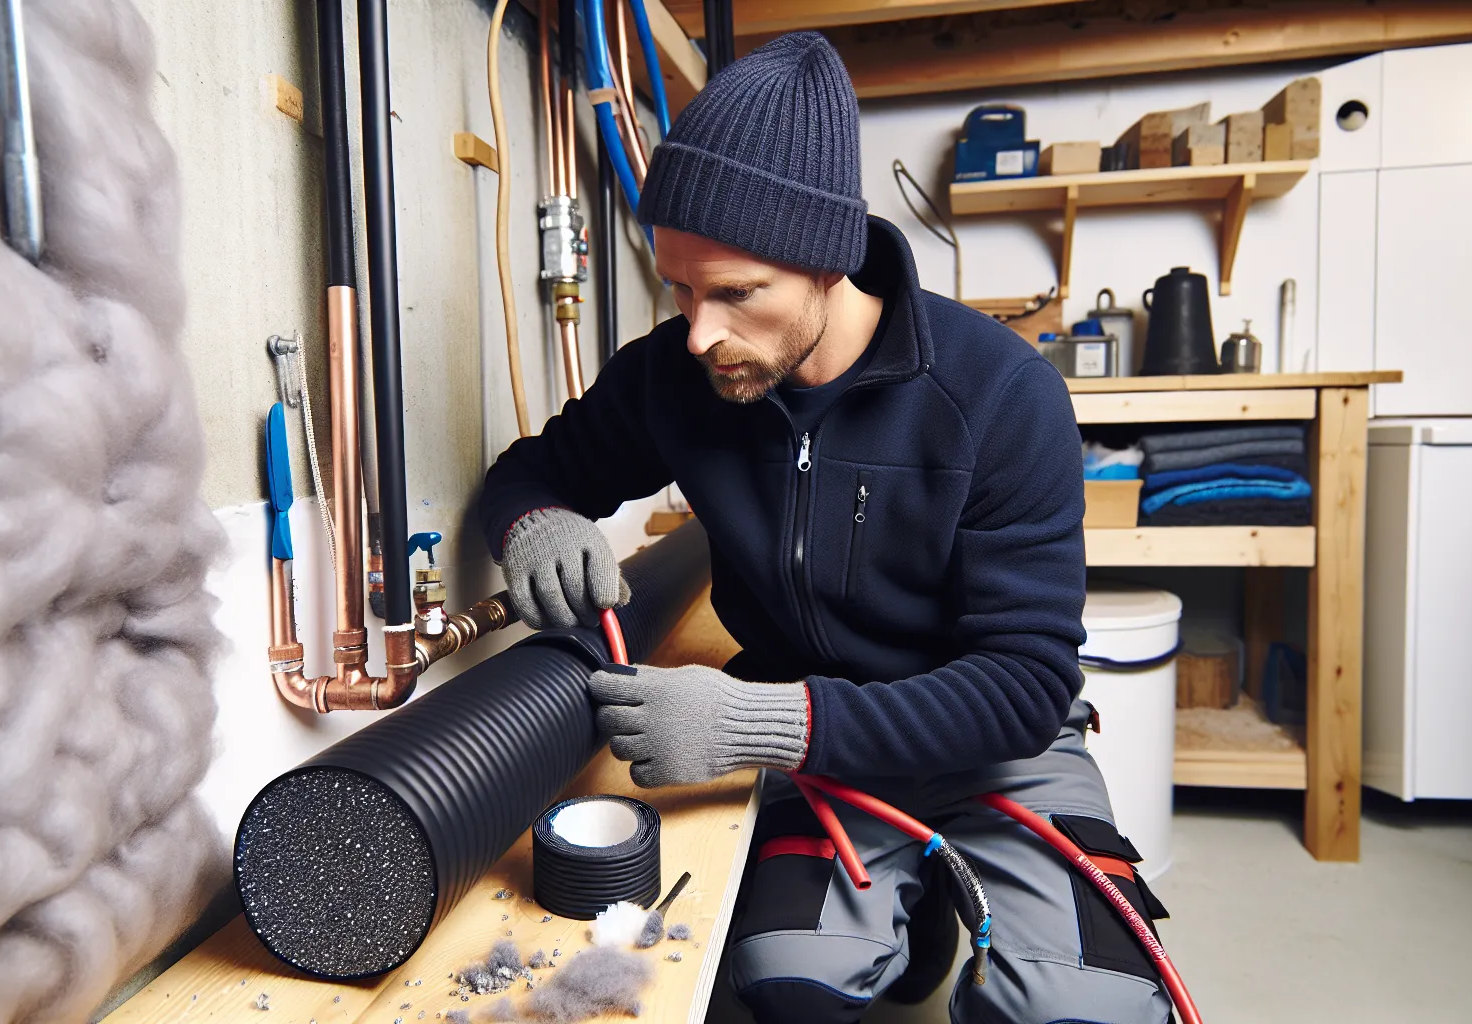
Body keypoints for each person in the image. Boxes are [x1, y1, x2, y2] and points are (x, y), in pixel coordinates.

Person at [476, 31, 1172, 1024]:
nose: (700, 328)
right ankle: (908, 923)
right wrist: (535, 521)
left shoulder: (998, 395)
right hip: (819, 751)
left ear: (828, 264)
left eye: (735, 292)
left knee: (1087, 1010)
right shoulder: (679, 374)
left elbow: (1024, 684)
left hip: (992, 750)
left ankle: (942, 893)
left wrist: (752, 723)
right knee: (783, 986)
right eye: (678, 287)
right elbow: (532, 469)